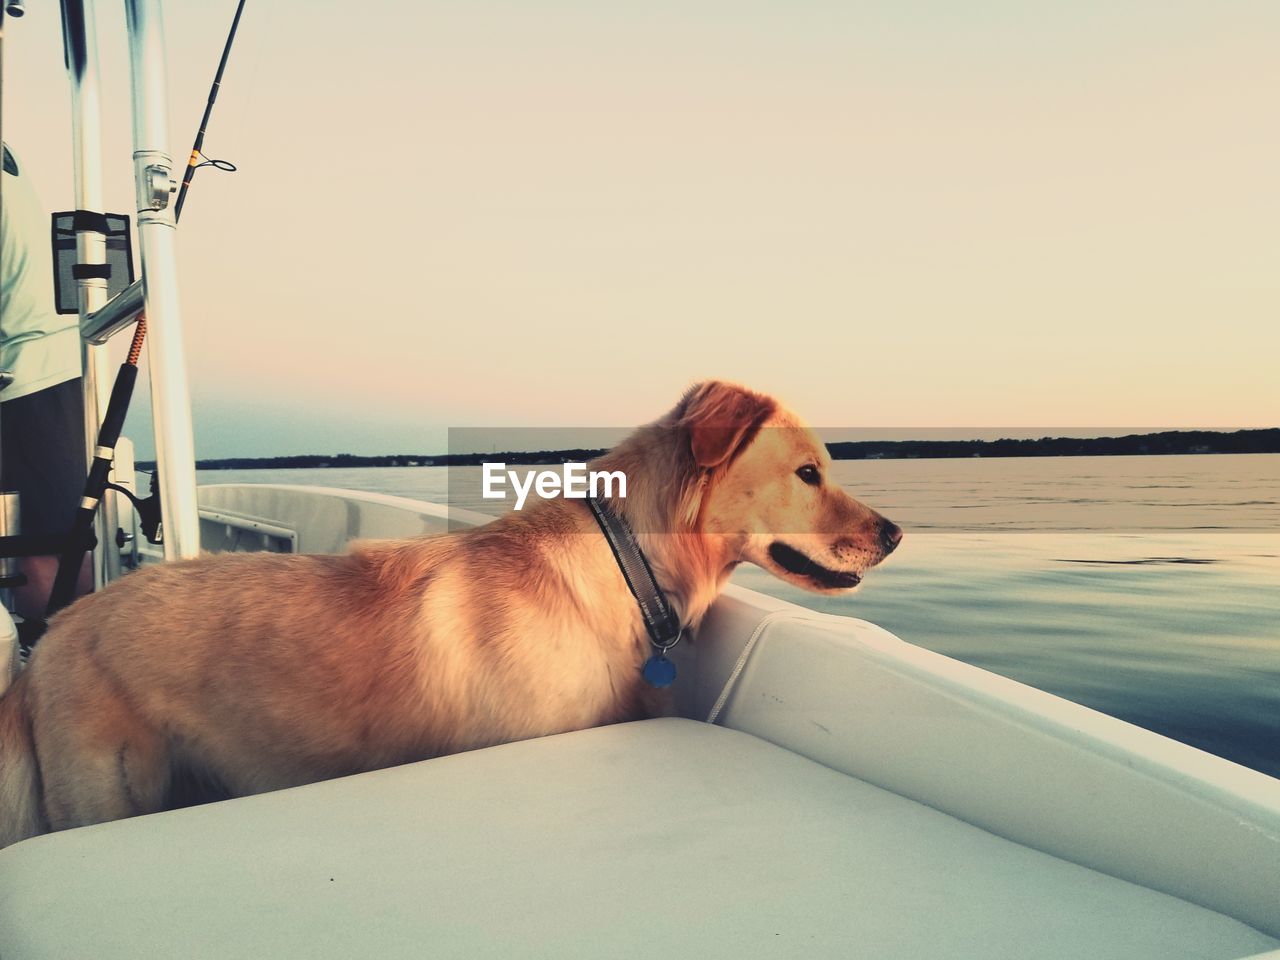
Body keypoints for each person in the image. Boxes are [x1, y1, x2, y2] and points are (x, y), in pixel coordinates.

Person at [1, 142, 91, 621]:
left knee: (35, 541)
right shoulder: (7, 158)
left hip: (24, 371)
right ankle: (75, 661)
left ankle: (46, 662)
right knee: (65, 532)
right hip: (56, 361)